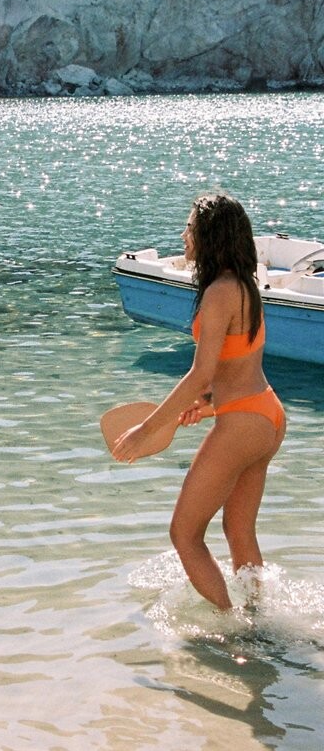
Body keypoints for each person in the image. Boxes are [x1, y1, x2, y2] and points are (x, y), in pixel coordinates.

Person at [112, 194, 285, 611]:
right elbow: (238, 362)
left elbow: (200, 373)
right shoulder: (243, 284)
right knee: (239, 531)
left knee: (184, 534)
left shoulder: (218, 292)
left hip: (243, 422)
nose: (183, 236)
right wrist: (208, 403)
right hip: (266, 415)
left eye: (189, 228)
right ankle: (258, 622)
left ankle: (230, 625)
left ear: (209, 234)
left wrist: (146, 430)